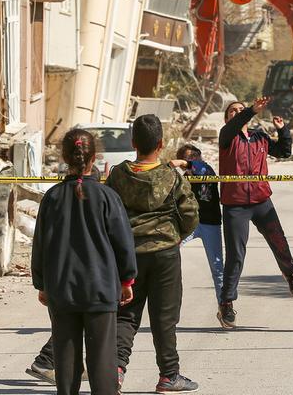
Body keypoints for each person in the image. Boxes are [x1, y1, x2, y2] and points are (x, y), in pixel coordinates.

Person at [31, 129, 137, 395]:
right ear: (95, 158)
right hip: (100, 290)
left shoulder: (52, 198)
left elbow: (40, 245)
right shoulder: (107, 197)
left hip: (61, 290)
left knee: (65, 362)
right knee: (102, 360)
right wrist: (127, 280)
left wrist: (42, 283)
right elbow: (123, 243)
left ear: (64, 157)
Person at [106, 114, 199, 394]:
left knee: (126, 315)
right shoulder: (171, 176)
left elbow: (107, 211)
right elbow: (190, 214)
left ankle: (115, 371)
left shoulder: (118, 175)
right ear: (161, 144)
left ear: (133, 142)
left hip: (128, 255)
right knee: (164, 317)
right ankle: (169, 375)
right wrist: (176, 236)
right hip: (164, 254)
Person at [218, 97, 293, 330]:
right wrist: (250, 110)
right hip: (234, 204)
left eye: (240, 110)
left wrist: (283, 130)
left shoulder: (259, 137)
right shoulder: (226, 136)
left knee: (279, 241)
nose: (237, 113)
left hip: (261, 199)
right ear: (227, 119)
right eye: (232, 111)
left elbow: (284, 152)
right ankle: (226, 303)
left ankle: (291, 275)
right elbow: (234, 126)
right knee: (236, 254)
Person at [27, 166, 103, 385]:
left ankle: (71, 367)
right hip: (80, 280)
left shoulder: (57, 200)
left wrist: (41, 283)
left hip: (60, 279)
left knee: (70, 324)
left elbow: (41, 245)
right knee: (75, 324)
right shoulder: (93, 203)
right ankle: (46, 360)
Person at [173, 144, 223, 304]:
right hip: (189, 225)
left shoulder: (207, 170)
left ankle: (224, 304)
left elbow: (200, 169)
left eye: (196, 155)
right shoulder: (181, 180)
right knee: (168, 252)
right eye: (189, 157)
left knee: (217, 267)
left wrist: (187, 164)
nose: (194, 158)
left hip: (210, 223)